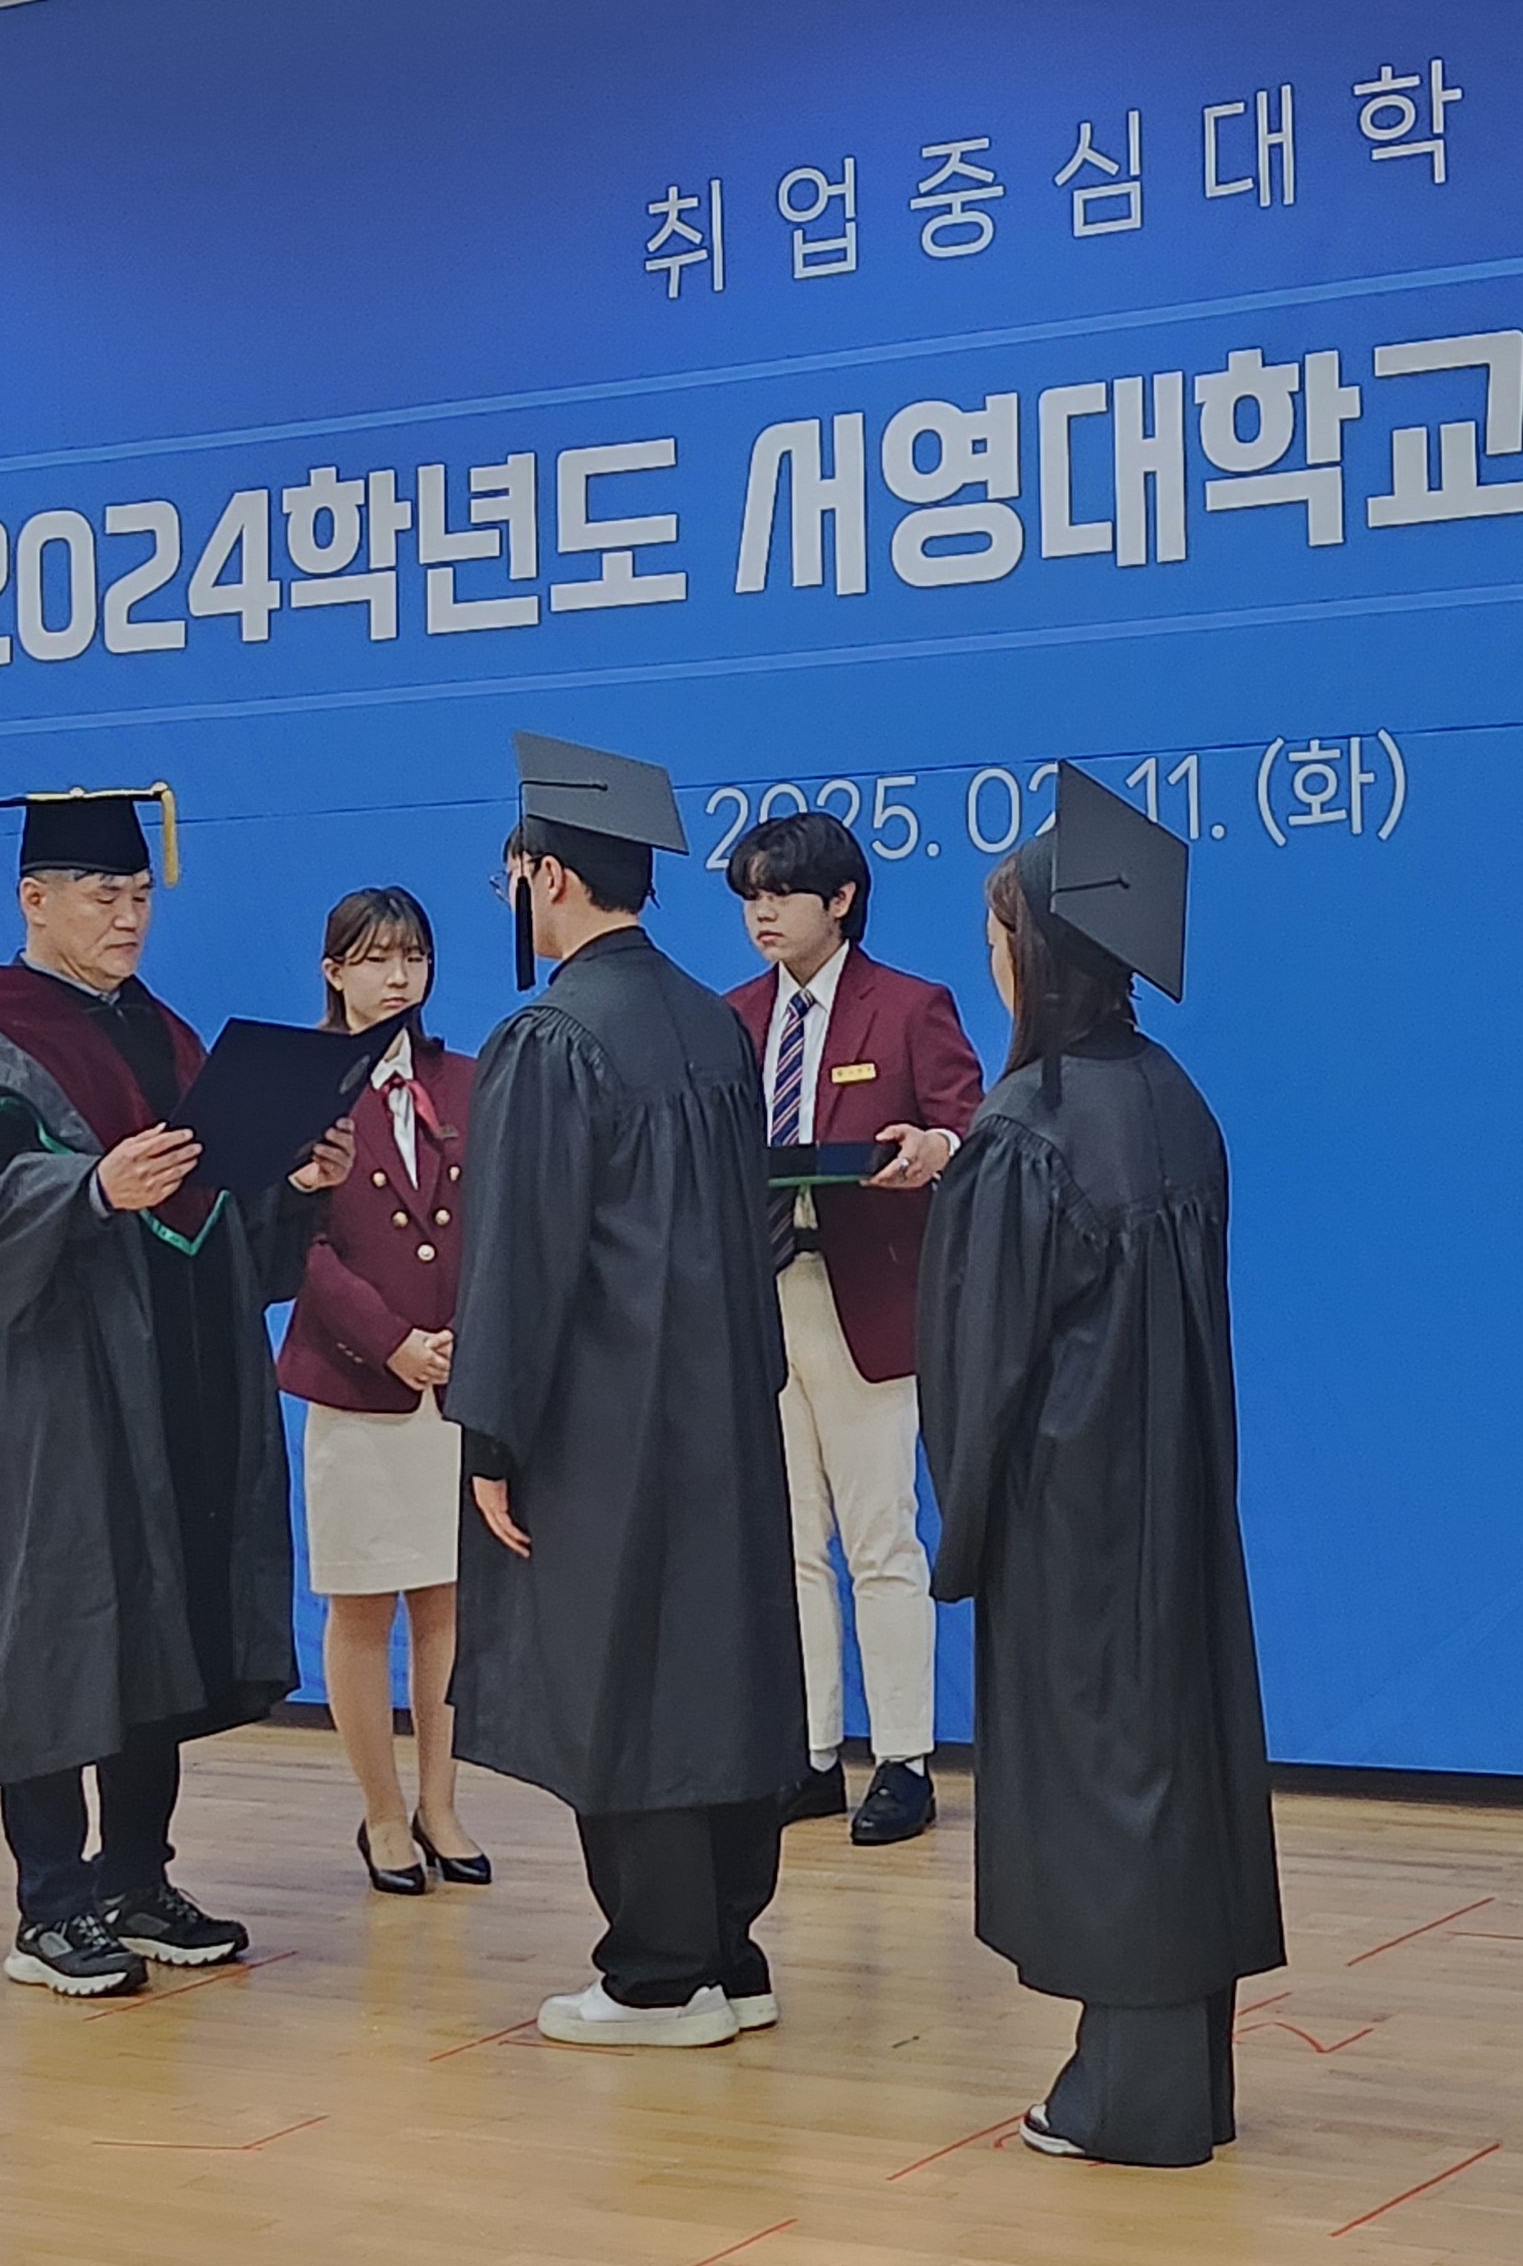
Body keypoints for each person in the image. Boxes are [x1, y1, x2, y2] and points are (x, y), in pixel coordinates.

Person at [0, 783, 354, 1999]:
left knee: (159, 1621)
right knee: (58, 1627)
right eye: (103, 894)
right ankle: (49, 1904)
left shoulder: (164, 1035)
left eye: (141, 894)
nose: (128, 916)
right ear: (33, 899)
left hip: (171, 1382)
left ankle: (136, 1879)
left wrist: (295, 1180)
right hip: (51, 1394)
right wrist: (93, 1188)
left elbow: (211, 1208)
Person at [916, 765, 1284, 2165]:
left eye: (997, 934)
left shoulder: (1027, 1132)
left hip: (1072, 1517)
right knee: (1171, 1765)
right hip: (1178, 1501)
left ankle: (1125, 2101)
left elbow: (983, 1362)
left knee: (1112, 1783)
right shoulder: (1177, 1099)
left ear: (1037, 953)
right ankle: (1183, 2078)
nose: (990, 958)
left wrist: (967, 1523)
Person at [446, 732, 805, 2049]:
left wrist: (491, 1437)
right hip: (725, 1414)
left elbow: (518, 1259)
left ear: (546, 877)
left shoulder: (549, 1038)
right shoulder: (715, 1023)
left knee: (626, 1674)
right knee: (720, 1665)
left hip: (606, 1423)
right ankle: (732, 1952)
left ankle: (658, 1975)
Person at [722, 810, 985, 1847]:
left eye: (781, 894)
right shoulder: (733, 1016)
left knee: (880, 1539)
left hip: (868, 1297)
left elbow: (971, 1128)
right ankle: (812, 1753)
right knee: (788, 1542)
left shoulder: (910, 1006)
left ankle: (905, 1758)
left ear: (840, 899)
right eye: (749, 896)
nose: (762, 914)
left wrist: (931, 1148)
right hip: (763, 1295)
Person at [277, 884, 488, 1897]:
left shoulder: (467, 1080)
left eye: (412, 957)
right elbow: (296, 1245)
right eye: (373, 959)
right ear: (334, 972)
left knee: (447, 1604)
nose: (397, 977)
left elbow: (496, 1222)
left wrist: (463, 1341)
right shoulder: (298, 1085)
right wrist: (391, 1341)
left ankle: (441, 1803)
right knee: (363, 1607)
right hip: (358, 1385)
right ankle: (380, 1813)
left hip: (457, 1383)